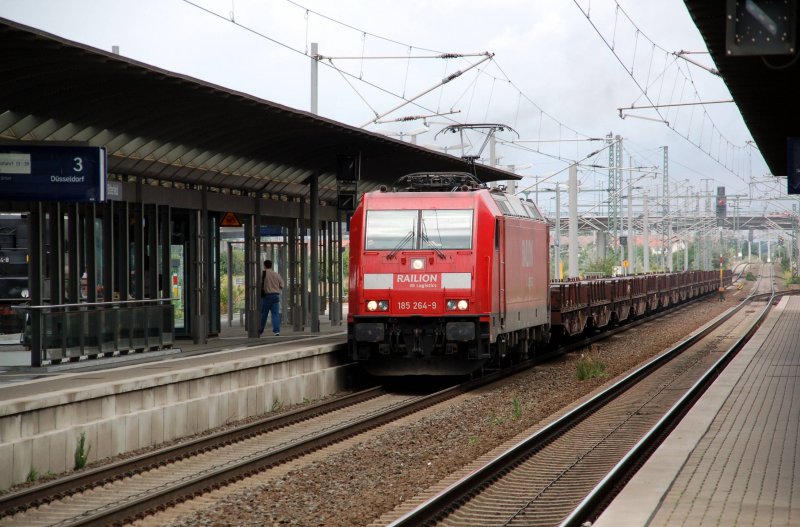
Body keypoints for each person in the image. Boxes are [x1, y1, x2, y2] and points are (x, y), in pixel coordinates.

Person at [260, 259, 284, 336]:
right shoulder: (276, 274)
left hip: (266, 296)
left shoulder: (263, 274)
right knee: (275, 314)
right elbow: (282, 285)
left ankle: (260, 330)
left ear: (264, 265)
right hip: (275, 296)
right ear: (271, 265)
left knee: (264, 314)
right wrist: (276, 288)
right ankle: (276, 331)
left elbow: (258, 284)